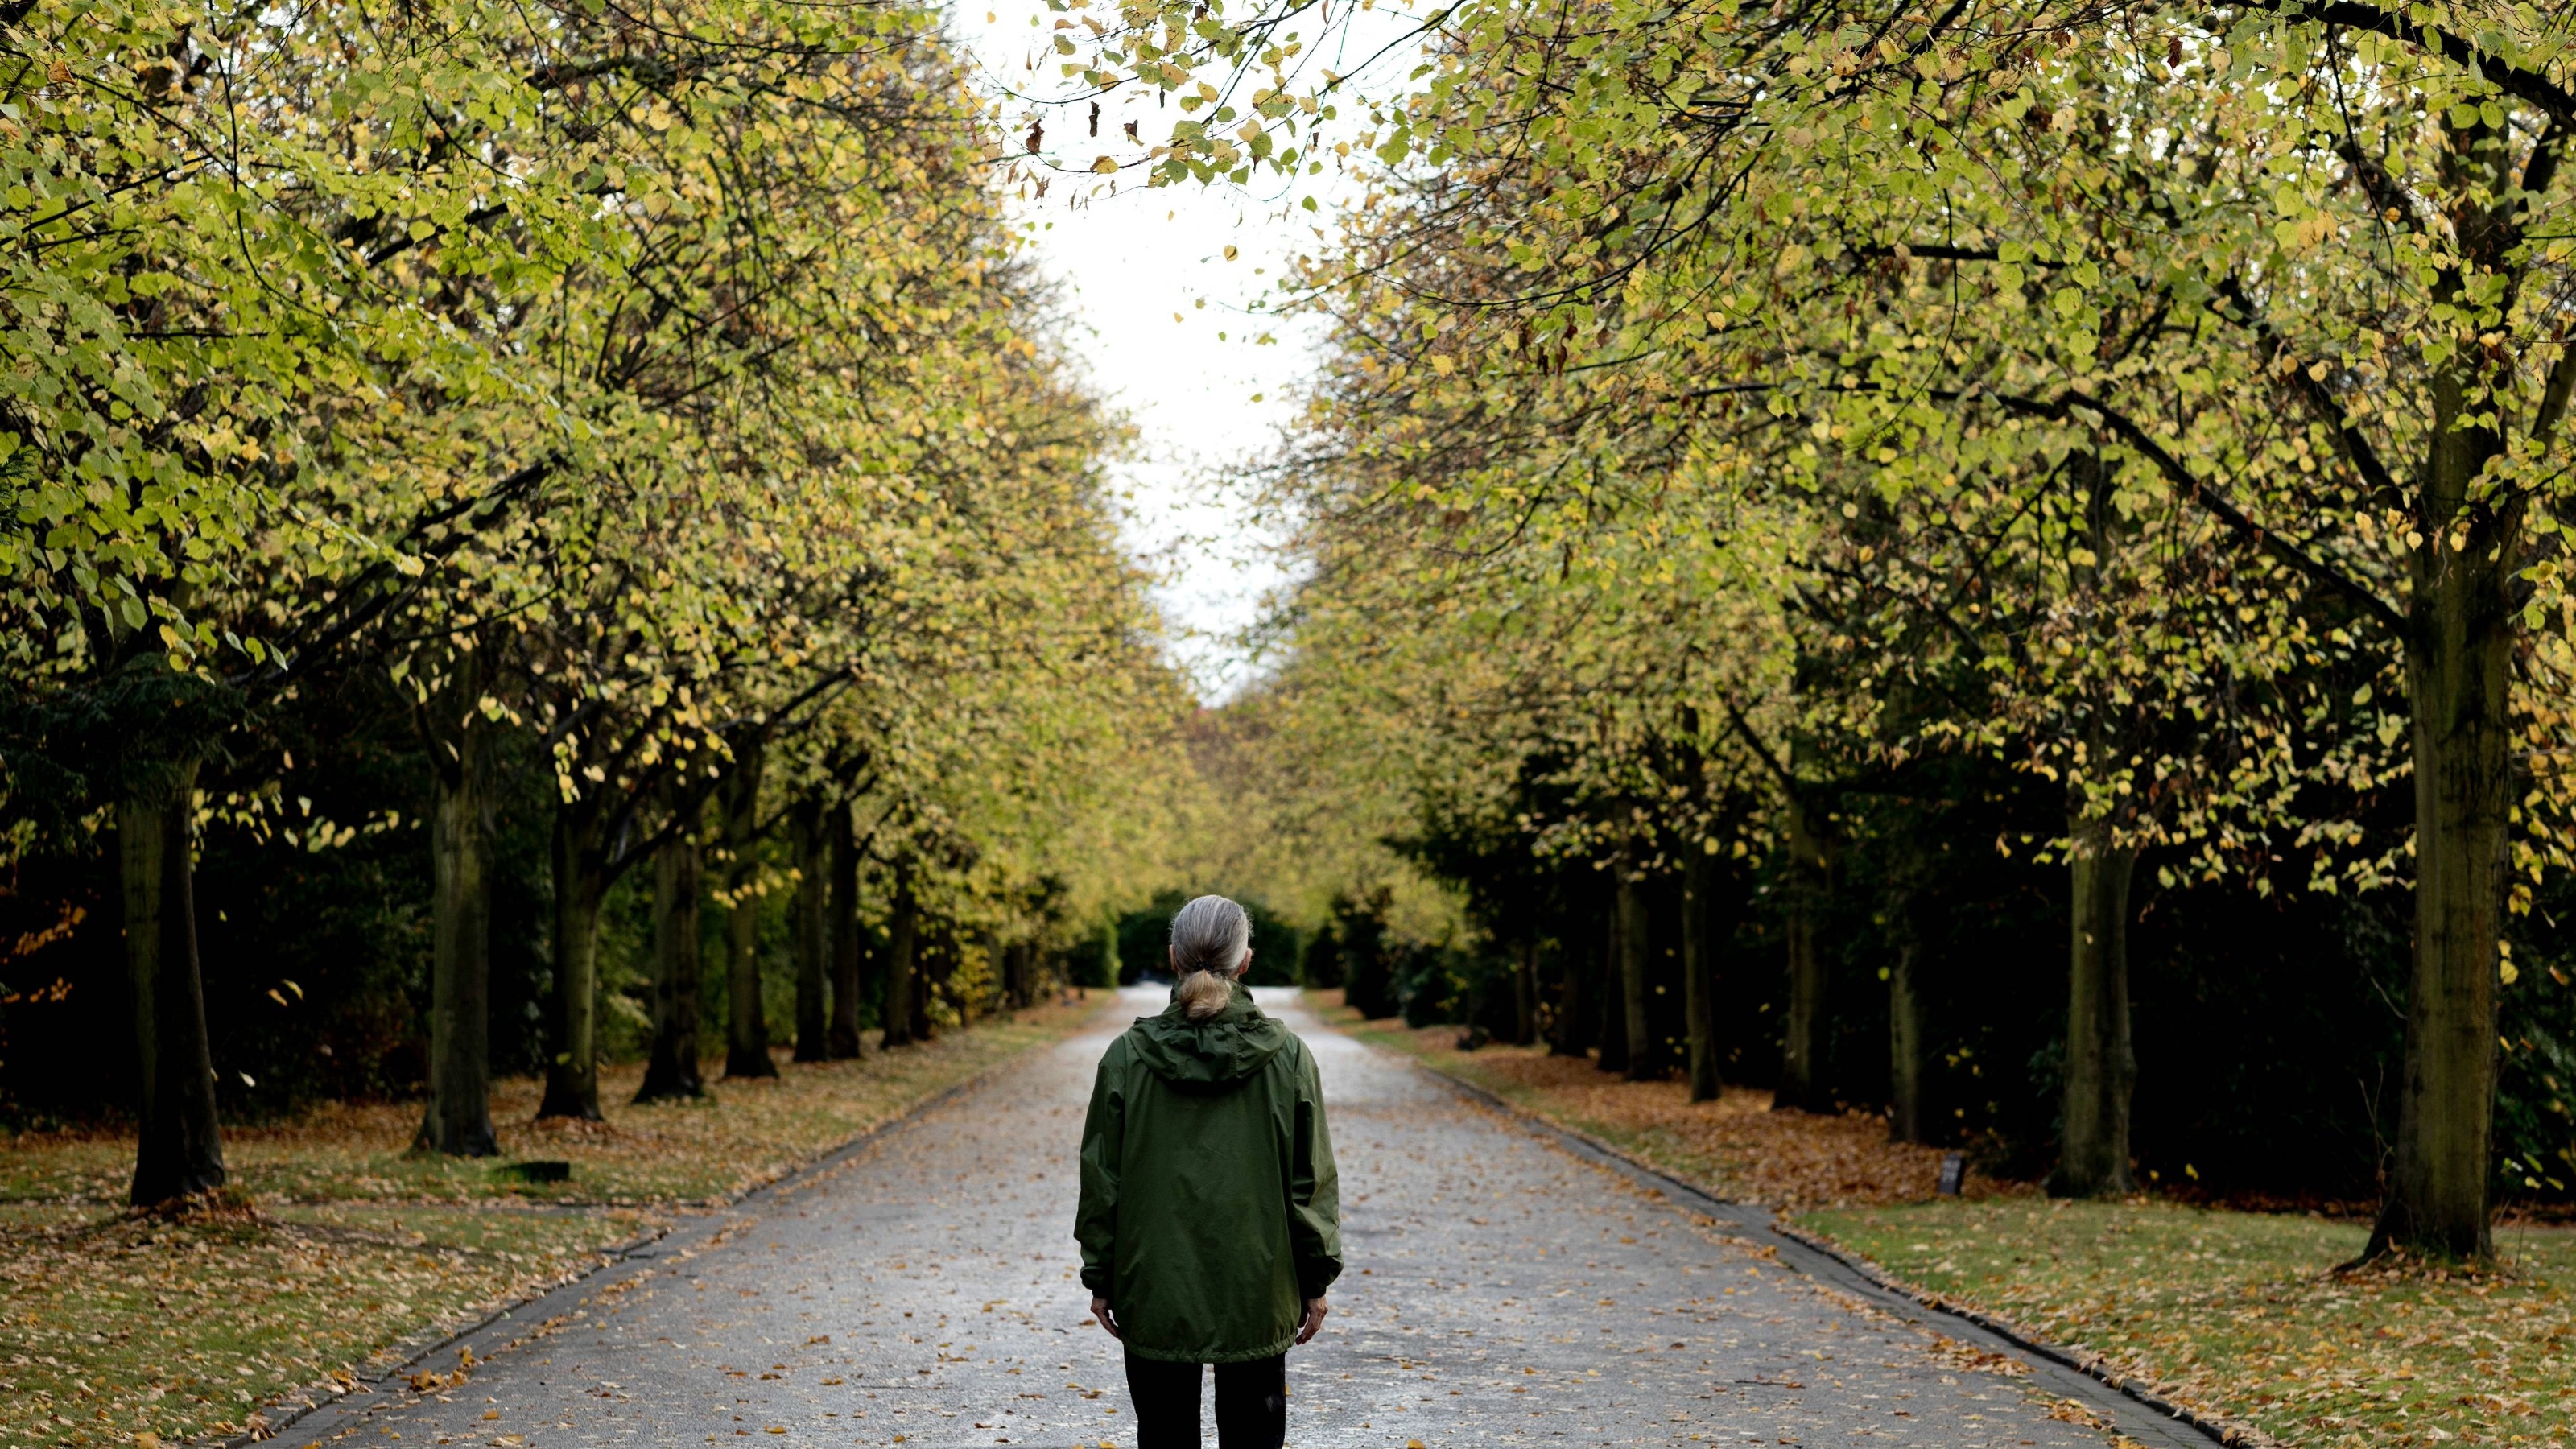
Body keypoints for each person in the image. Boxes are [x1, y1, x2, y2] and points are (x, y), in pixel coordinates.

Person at [1075, 894, 1343, 1449]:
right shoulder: (1289, 1058)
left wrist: (1101, 1274)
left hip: (1154, 1285)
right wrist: (1315, 1281)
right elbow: (1308, 1183)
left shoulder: (1126, 1058)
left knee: (1164, 1435)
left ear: (1174, 957)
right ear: (1246, 962)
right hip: (1258, 1284)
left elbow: (1103, 1180)